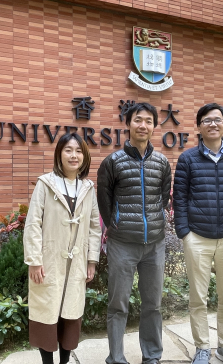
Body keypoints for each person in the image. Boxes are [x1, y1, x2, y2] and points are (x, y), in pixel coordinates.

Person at [173, 102, 223, 364]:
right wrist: (185, 232)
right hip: (197, 237)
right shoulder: (187, 158)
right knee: (198, 298)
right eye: (207, 120)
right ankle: (202, 348)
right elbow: (180, 199)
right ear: (199, 126)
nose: (213, 124)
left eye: (217, 120)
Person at [97, 102, 172, 364]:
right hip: (122, 244)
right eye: (138, 120)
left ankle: (152, 356)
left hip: (155, 244)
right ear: (128, 124)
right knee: (118, 304)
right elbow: (104, 203)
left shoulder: (162, 162)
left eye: (148, 121)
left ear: (154, 126)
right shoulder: (112, 162)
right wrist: (117, 226)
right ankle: (116, 358)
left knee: (153, 305)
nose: (143, 125)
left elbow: (163, 200)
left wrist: (152, 224)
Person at [23, 133, 102, 364]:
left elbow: (95, 227)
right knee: (46, 314)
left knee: (71, 314)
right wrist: (35, 260)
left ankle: (65, 362)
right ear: (59, 154)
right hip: (48, 263)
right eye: (68, 150)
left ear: (84, 156)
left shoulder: (87, 188)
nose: (74, 155)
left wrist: (91, 261)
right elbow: (33, 223)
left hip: (76, 263)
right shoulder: (45, 184)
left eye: (78, 151)